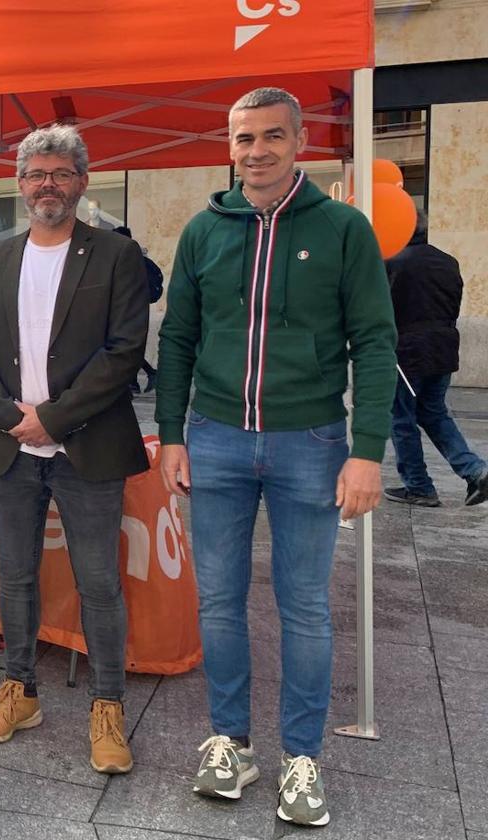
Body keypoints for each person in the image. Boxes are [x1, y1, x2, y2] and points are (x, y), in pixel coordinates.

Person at [156, 87, 397, 827]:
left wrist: (367, 452)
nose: (255, 151)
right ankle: (230, 741)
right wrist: (171, 433)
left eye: (270, 137)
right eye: (242, 138)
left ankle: (302, 757)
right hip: (218, 438)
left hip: (312, 442)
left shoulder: (344, 230)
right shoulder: (203, 230)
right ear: (228, 145)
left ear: (298, 143)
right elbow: (177, 339)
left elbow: (376, 342)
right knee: (220, 602)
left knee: (305, 608)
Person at [0, 124, 149, 773]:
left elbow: (124, 353)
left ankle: (108, 706)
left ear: (81, 182)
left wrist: (55, 420)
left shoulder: (116, 257)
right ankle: (20, 690)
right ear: (19, 185)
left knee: (98, 582)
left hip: (87, 447)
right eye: (37, 173)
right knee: (13, 576)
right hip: (11, 447)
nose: (48, 184)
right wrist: (12, 417)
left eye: (60, 173)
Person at [384, 210, 488, 507]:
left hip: (406, 350)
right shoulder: (447, 261)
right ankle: (475, 471)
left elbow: (379, 309)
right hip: (443, 347)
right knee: (433, 412)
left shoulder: (393, 262)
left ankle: (419, 486)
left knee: (401, 418)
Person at [115, 225, 163, 393]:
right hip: (136, 308)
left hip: (129, 309)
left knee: (125, 346)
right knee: (129, 346)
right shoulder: (140, 257)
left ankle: (148, 375)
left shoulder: (129, 258)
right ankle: (134, 383)